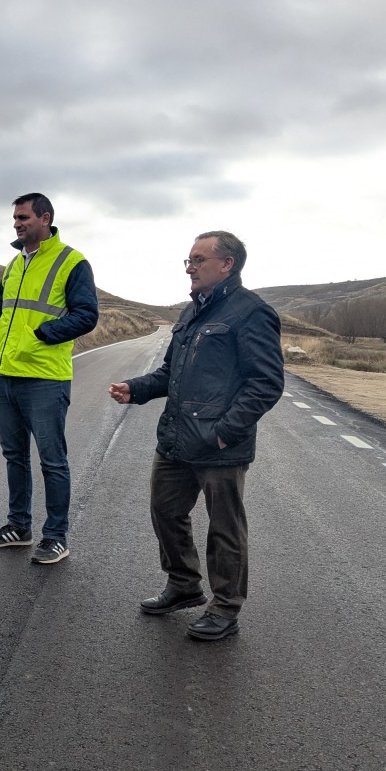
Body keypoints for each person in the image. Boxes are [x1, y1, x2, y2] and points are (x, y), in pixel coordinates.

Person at [109, 230, 284, 641]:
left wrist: (226, 432)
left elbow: (266, 382)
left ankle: (225, 608)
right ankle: (183, 584)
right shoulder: (191, 313)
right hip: (176, 438)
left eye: (198, 260)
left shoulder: (251, 312)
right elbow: (170, 374)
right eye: (187, 260)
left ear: (227, 264)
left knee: (225, 528)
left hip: (220, 446)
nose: (189, 267)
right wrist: (136, 388)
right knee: (165, 511)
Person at [0, 192, 99, 564]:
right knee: (14, 456)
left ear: (45, 218)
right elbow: (8, 304)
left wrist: (41, 335)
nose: (17, 224)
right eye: (15, 218)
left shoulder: (72, 262)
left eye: (23, 217)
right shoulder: (15, 264)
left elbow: (86, 315)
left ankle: (56, 536)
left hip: (45, 378)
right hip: (6, 376)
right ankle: (19, 527)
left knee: (52, 460)